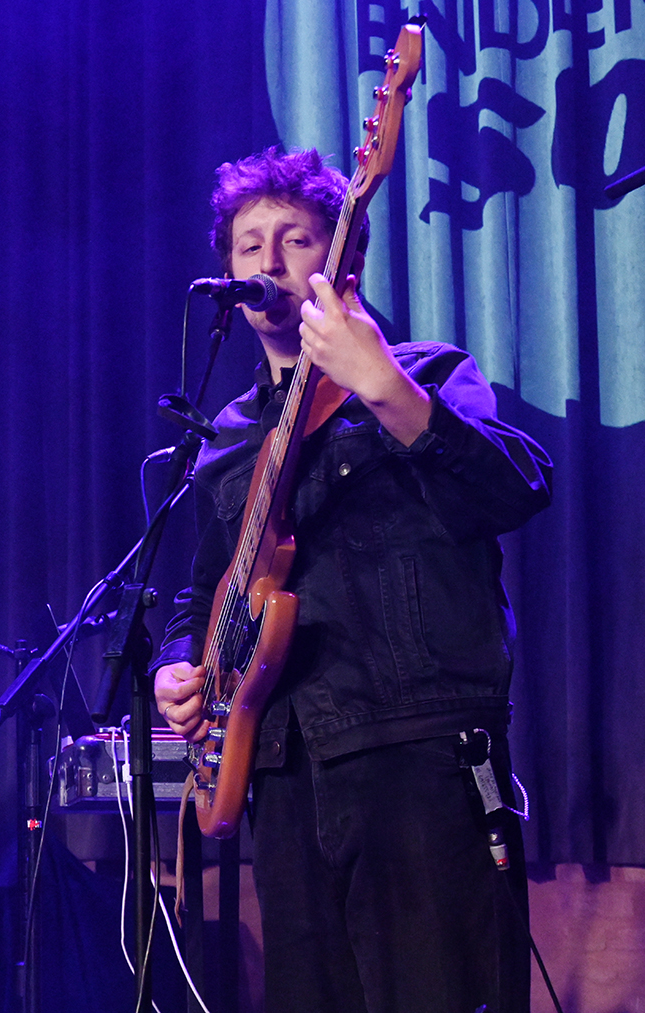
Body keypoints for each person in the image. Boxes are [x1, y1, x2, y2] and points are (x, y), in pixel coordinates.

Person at [152, 148, 552, 1013]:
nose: (267, 261)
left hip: (415, 750)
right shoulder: (228, 437)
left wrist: (381, 385)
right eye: (249, 245)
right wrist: (176, 666)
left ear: (344, 260)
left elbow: (517, 487)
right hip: (282, 765)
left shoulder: (427, 373)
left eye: (294, 240)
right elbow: (203, 595)